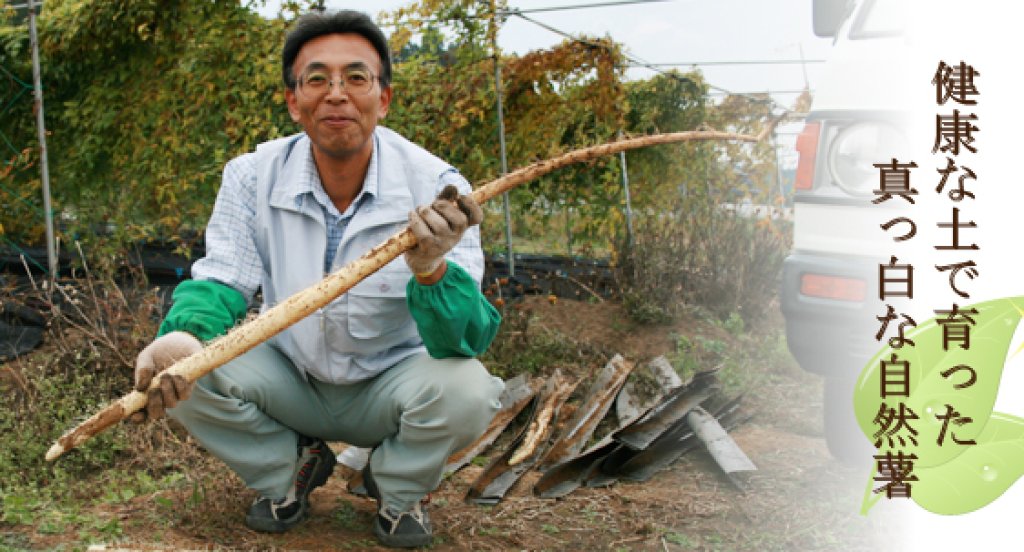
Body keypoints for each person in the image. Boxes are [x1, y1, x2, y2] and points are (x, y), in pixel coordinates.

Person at [131, 10, 505, 549]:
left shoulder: (438, 187)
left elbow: (466, 337)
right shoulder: (252, 176)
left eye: (357, 78)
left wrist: (431, 269)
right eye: (316, 79)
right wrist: (183, 335)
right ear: (293, 101)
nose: (337, 95)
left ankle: (398, 489)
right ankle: (290, 473)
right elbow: (224, 279)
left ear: (384, 99)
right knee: (184, 369)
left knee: (468, 390)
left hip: (390, 384)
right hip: (292, 375)